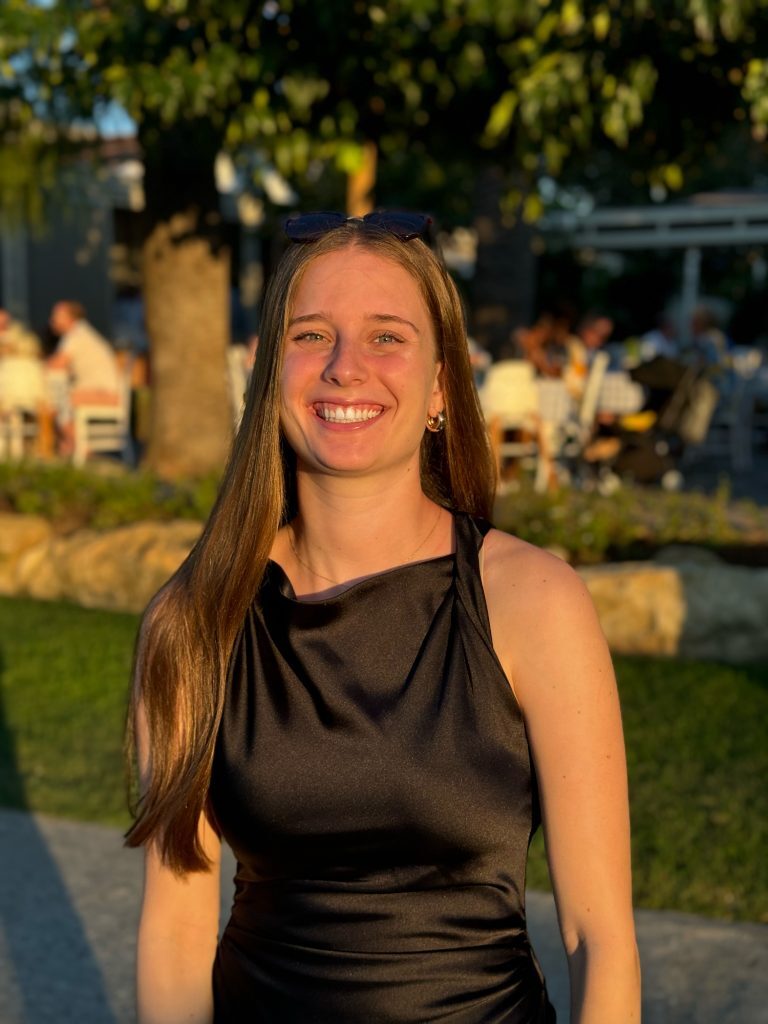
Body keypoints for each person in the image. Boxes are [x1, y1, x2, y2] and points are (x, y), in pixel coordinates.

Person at [126, 211, 639, 1023]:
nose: (344, 367)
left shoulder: (534, 602)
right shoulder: (194, 621)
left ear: (440, 384)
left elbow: (598, 936)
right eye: (311, 335)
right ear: (269, 373)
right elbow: (177, 931)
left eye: (386, 337)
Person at [47, 300, 122, 454]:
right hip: (96, 391)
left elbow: (57, 364)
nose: (52, 320)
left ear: (71, 318)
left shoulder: (77, 334)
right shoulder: (77, 333)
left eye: (57, 316)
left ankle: (80, 446)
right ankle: (71, 444)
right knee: (58, 398)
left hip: (105, 393)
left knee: (58, 400)